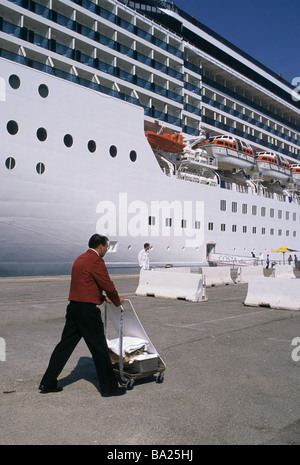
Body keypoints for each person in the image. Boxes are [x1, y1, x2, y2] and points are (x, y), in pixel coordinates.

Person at [39, 234, 126, 397]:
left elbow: (85, 284)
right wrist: (116, 301)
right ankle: (109, 388)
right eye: (106, 246)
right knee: (99, 348)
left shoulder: (79, 259)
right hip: (87, 311)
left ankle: (47, 382)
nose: (107, 249)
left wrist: (101, 297)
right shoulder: (96, 260)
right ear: (100, 246)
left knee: (63, 347)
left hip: (73, 308)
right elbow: (107, 284)